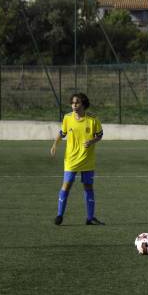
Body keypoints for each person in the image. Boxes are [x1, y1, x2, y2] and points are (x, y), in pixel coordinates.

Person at [50, 93, 104, 226]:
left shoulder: (93, 119)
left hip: (87, 159)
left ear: (83, 104)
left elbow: (99, 135)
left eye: (77, 102)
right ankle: (59, 215)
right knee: (66, 185)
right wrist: (54, 145)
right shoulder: (67, 118)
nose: (74, 105)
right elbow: (62, 133)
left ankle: (90, 218)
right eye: (73, 103)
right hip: (71, 159)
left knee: (88, 187)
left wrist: (92, 141)